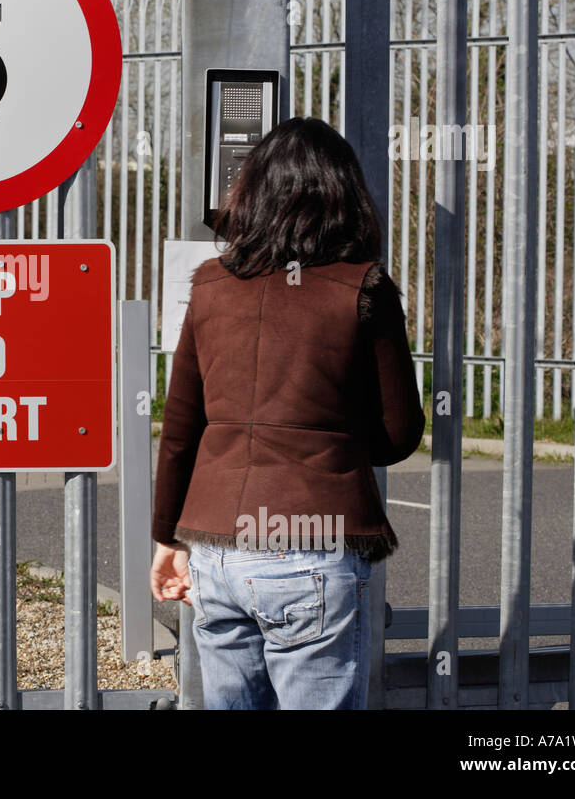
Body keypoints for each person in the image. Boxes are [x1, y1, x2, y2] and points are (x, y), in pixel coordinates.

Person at [149, 116, 424, 710]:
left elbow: (180, 431)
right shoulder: (364, 288)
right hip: (312, 543)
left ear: (252, 193)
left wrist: (168, 538)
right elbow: (399, 433)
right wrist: (329, 441)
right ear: (344, 195)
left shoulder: (210, 285)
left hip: (217, 547)